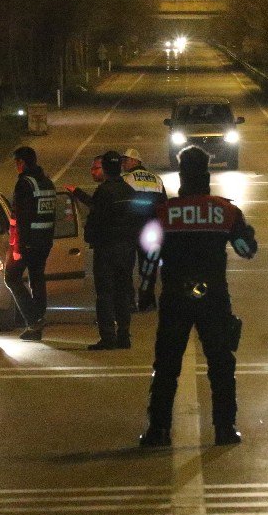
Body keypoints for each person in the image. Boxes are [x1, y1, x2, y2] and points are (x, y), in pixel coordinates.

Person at [139, 146, 257, 448]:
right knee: (221, 364)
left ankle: (159, 430)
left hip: (175, 296)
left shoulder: (164, 212)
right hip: (214, 296)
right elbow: (247, 251)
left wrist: (144, 291)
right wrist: (245, 234)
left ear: (182, 176)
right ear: (207, 174)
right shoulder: (226, 210)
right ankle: (225, 429)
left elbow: (149, 256)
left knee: (166, 365)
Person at [83, 150, 137, 350]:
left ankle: (108, 337)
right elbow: (136, 219)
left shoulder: (103, 192)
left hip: (106, 250)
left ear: (105, 168)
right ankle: (124, 336)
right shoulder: (129, 191)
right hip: (126, 250)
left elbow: (95, 221)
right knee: (123, 293)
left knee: (105, 294)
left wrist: (90, 236)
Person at [5, 146, 57, 341]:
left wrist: (18, 247)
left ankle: (34, 319)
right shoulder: (47, 182)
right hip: (45, 240)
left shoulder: (24, 184)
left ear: (22, 163)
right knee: (37, 279)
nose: (16, 167)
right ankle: (36, 327)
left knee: (11, 277)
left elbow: (22, 219)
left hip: (29, 242)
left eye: (17, 163)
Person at [120, 148, 167, 312]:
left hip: (131, 228)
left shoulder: (126, 179)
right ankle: (147, 301)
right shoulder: (157, 179)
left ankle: (129, 302)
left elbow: (122, 204)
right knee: (148, 268)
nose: (123, 164)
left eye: (125, 160)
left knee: (126, 266)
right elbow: (164, 206)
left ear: (135, 162)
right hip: (152, 229)